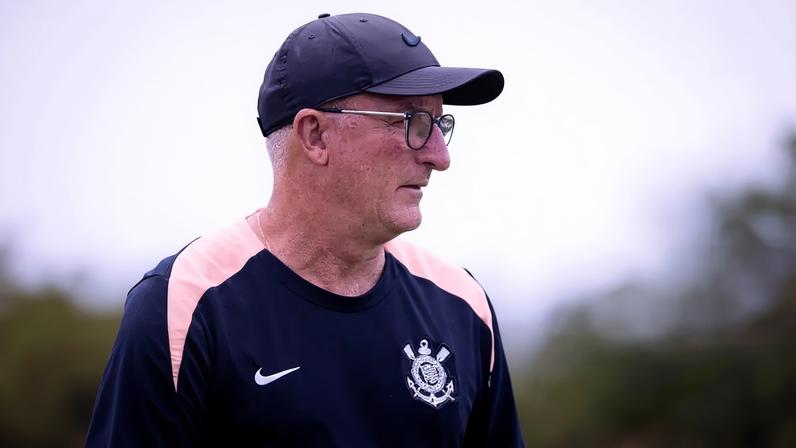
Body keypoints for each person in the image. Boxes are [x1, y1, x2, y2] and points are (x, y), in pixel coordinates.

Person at [86, 12, 524, 447]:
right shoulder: (182, 305)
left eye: (440, 124)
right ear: (314, 135)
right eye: (412, 122)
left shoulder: (463, 306)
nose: (439, 156)